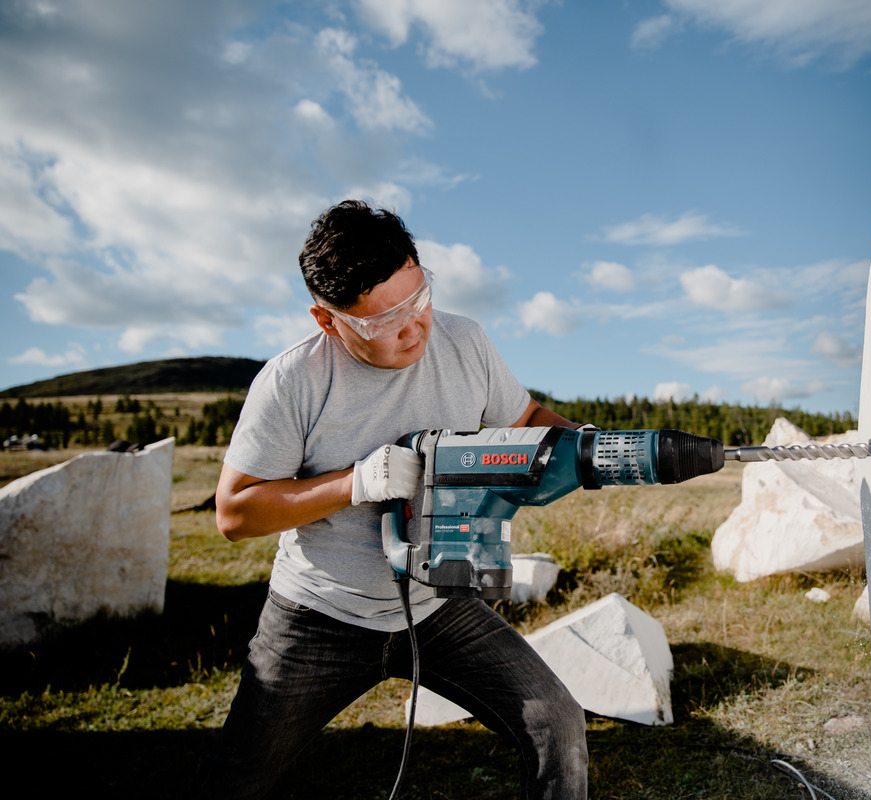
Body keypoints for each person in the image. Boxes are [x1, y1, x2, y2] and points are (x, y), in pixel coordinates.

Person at [196, 200, 589, 799]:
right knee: (237, 778)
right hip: (317, 617)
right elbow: (235, 513)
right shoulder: (292, 382)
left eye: (419, 298)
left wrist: (590, 447)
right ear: (329, 321)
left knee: (555, 723)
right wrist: (356, 482)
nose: (414, 327)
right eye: (384, 320)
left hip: (438, 605)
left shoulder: (465, 342)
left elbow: (527, 418)